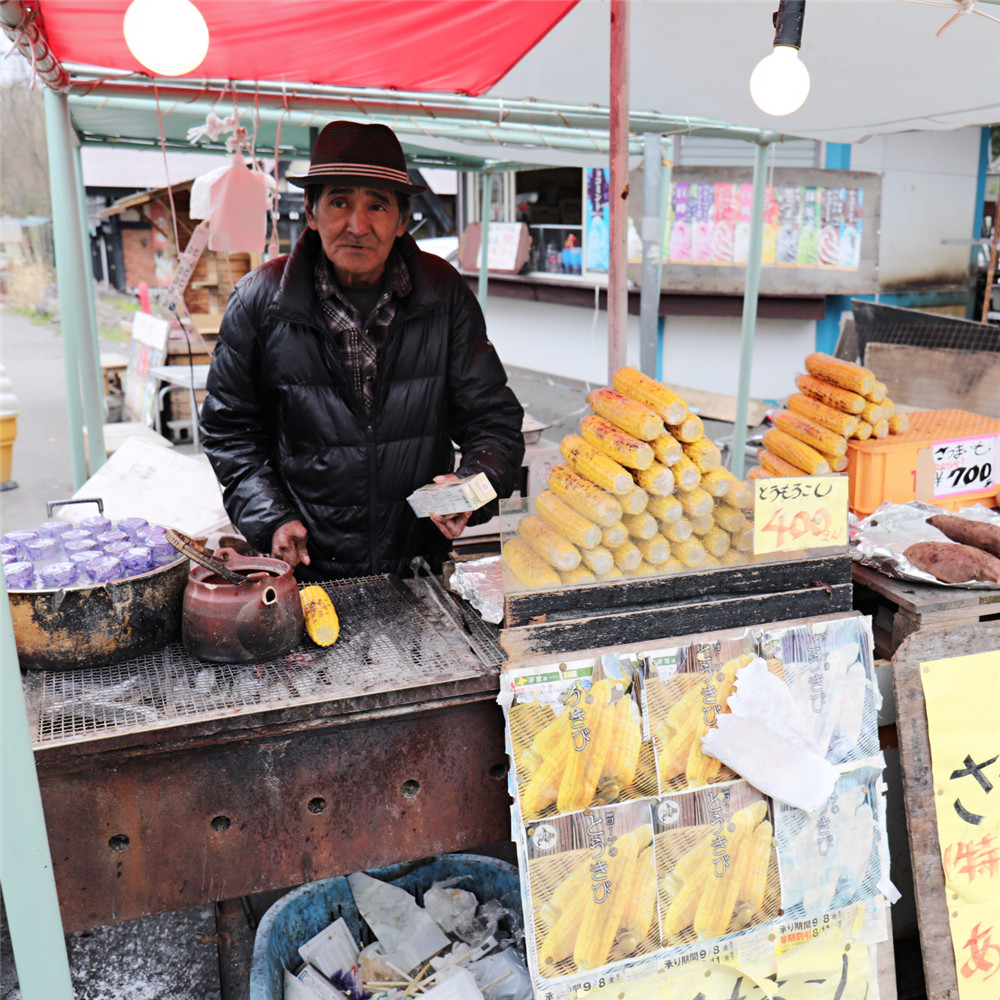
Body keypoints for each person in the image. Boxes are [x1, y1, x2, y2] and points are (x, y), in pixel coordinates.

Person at [200, 120, 524, 579]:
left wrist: (472, 486)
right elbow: (230, 431)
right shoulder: (259, 300)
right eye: (339, 202)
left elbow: (493, 418)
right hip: (306, 568)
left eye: (377, 205)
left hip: (417, 569)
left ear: (402, 218)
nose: (358, 225)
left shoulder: (443, 292)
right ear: (311, 213)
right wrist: (270, 517)